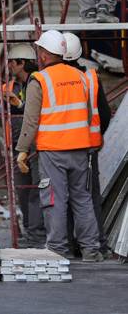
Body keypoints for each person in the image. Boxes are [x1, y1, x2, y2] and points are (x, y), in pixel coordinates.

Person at [15, 30, 103, 261]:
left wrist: (22, 149)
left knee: (54, 199)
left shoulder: (40, 80)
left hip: (53, 150)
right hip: (80, 148)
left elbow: (31, 119)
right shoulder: (81, 77)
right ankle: (91, 249)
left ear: (44, 54)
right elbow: (86, 113)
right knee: (82, 199)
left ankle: (57, 249)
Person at [63, 32, 112, 256]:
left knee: (64, 198)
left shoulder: (50, 78)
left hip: (59, 148)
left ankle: (69, 245)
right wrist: (95, 135)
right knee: (88, 198)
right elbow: (104, 113)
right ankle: (95, 244)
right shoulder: (91, 78)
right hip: (89, 147)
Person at [4, 43, 46, 248]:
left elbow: (35, 111)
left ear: (22, 63)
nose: (9, 66)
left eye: (12, 62)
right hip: (16, 144)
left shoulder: (38, 81)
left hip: (36, 145)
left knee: (36, 190)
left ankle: (37, 234)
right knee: (22, 190)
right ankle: (30, 229)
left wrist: (18, 105)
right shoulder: (10, 86)